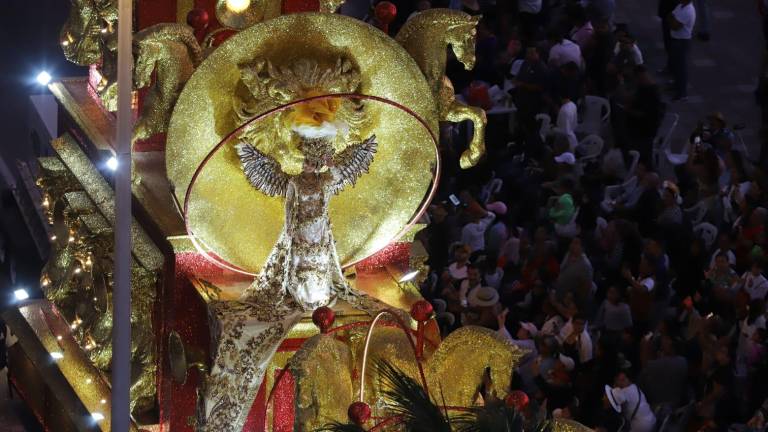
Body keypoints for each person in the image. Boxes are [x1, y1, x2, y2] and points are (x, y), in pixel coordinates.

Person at [667, 0, 696, 101]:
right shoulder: (680, 6)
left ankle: (682, 93)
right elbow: (670, 16)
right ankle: (676, 85)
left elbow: (674, 26)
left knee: (681, 68)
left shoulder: (688, 11)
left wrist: (672, 19)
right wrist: (672, 19)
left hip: (682, 42)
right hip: (676, 40)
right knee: (676, 65)